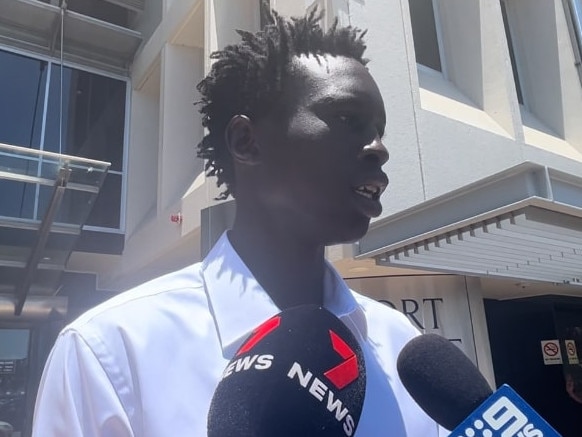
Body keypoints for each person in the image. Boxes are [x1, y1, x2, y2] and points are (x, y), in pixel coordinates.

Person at [32, 7, 439, 436]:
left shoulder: (401, 348)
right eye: (347, 120)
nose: (379, 148)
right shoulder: (112, 352)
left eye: (379, 130)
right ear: (246, 141)